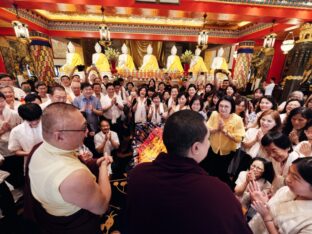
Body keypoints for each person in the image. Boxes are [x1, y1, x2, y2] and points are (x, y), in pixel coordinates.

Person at [125, 110, 252, 234]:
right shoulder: (218, 191)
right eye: (208, 139)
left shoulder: (138, 174)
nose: (209, 143)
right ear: (196, 147)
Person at [27, 103, 112, 233]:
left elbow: (71, 160)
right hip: (75, 225)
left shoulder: (37, 148)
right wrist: (103, 167)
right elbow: (102, 206)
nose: (87, 132)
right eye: (83, 129)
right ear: (59, 136)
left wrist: (95, 163)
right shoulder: (75, 177)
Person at [248, 157, 312, 234]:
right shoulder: (285, 190)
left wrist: (267, 218)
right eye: (289, 172)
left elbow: (268, 215)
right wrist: (263, 202)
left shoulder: (309, 221)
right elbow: (271, 208)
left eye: (295, 178)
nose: (287, 179)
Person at [201, 95, 245, 186]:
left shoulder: (237, 119)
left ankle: (217, 188)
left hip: (227, 151)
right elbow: (207, 129)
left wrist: (225, 132)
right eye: (221, 106)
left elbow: (239, 138)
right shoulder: (214, 114)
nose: (223, 109)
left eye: (226, 106)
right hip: (213, 148)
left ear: (231, 107)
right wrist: (217, 129)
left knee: (221, 172)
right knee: (210, 169)